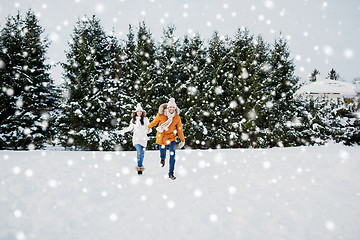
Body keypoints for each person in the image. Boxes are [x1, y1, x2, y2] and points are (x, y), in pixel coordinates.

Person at [148, 98, 185, 180]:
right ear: (167, 108)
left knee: (172, 155)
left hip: (171, 138)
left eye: (173, 108)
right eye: (170, 107)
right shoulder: (161, 115)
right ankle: (162, 159)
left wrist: (182, 140)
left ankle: (171, 173)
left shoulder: (177, 117)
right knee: (162, 153)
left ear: (175, 108)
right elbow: (154, 122)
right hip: (162, 138)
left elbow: (179, 129)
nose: (171, 109)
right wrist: (148, 127)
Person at [118, 103, 151, 175]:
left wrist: (148, 130)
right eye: (138, 111)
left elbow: (149, 128)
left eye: (140, 111)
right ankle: (139, 168)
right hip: (136, 139)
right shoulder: (133, 120)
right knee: (139, 151)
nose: (139, 113)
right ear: (136, 112)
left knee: (142, 154)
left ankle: (140, 166)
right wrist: (121, 131)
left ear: (142, 112)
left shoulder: (145, 119)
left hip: (143, 139)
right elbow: (129, 128)